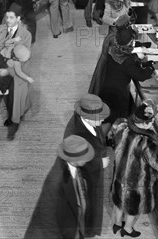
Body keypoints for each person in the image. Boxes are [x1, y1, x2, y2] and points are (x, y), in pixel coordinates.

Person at [109, 101, 158, 238]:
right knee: (132, 207)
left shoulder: (121, 125)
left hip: (120, 174)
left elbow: (112, 136)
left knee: (119, 201)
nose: (152, 122)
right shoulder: (146, 143)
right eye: (151, 121)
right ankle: (128, 228)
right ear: (144, 124)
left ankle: (117, 223)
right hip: (136, 182)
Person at [24, 135, 95, 239]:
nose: (87, 160)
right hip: (59, 231)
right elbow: (47, 215)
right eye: (85, 157)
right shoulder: (55, 180)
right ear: (74, 159)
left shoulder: (75, 166)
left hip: (72, 222)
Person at [63, 94, 111, 237]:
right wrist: (99, 163)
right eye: (100, 117)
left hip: (92, 176)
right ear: (88, 117)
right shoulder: (76, 133)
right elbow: (74, 161)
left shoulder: (87, 122)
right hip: (83, 179)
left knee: (92, 204)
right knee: (85, 208)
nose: (103, 119)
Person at [0, 3, 32, 140]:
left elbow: (24, 55)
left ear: (18, 18)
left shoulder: (25, 34)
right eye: (7, 17)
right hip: (2, 67)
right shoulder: (0, 30)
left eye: (11, 18)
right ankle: (12, 115)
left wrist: (10, 69)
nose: (8, 20)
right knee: (7, 96)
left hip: (16, 71)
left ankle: (14, 122)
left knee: (15, 96)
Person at [98, 25, 155, 123]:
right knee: (116, 118)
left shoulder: (114, 49)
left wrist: (142, 63)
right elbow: (140, 76)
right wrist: (151, 67)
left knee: (110, 116)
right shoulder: (126, 61)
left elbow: (129, 63)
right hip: (117, 95)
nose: (134, 43)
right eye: (132, 41)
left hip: (107, 89)